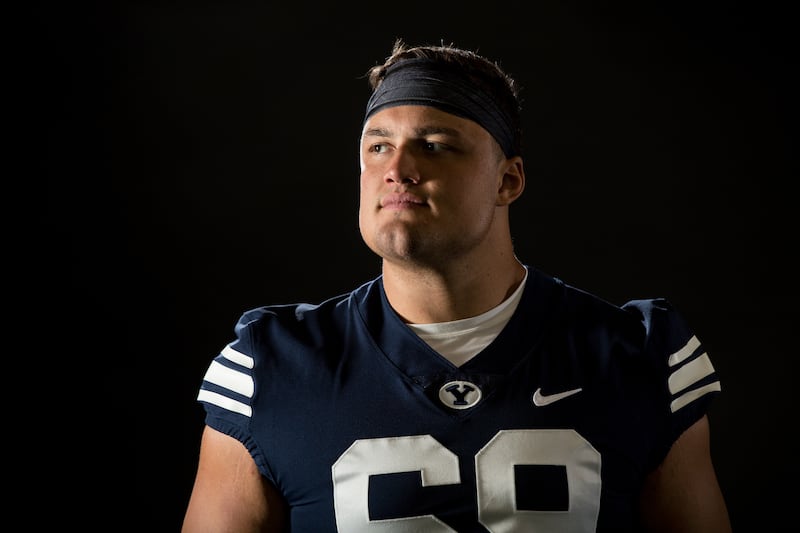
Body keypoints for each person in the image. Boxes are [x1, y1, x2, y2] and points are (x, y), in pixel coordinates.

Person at [182, 39, 732, 532]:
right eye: (378, 147)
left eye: (434, 144)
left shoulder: (638, 357)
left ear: (507, 180)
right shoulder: (273, 367)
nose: (398, 168)